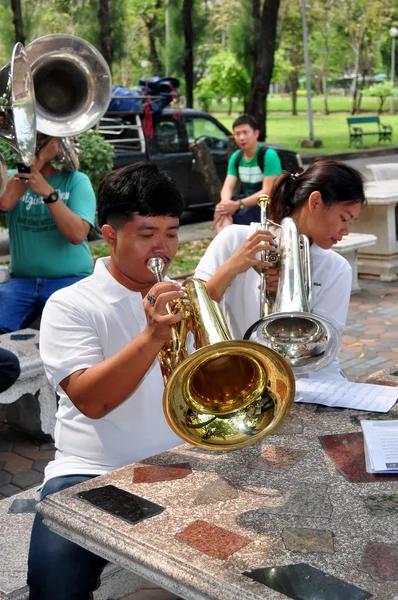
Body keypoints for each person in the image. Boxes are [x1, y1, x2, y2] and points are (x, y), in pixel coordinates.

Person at [27, 162, 186, 600]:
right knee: (53, 587)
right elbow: (92, 400)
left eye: (171, 233)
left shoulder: (181, 297)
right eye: (147, 234)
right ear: (111, 235)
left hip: (180, 466)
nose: (163, 249)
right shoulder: (71, 304)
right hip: (92, 471)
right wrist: (153, 335)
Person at [196, 159, 366, 380]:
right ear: (315, 202)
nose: (345, 231)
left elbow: (321, 348)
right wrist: (232, 267)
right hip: (242, 378)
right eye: (344, 218)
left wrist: (285, 298)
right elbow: (194, 310)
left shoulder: (338, 267)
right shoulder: (234, 239)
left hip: (311, 383)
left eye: (351, 222)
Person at [0, 135, 96, 333]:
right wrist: (38, 160)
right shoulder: (13, 177)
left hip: (70, 278)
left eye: (44, 138)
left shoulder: (76, 181)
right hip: (21, 281)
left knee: (67, 332)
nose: (37, 142)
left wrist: (48, 194)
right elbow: (5, 203)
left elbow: (77, 234)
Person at [214, 115, 282, 232]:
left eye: (245, 132)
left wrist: (237, 205)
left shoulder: (269, 156)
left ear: (256, 133)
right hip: (247, 203)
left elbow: (267, 192)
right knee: (222, 212)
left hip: (267, 206)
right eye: (237, 133)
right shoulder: (236, 157)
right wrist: (225, 204)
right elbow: (227, 187)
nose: (241, 137)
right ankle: (229, 246)